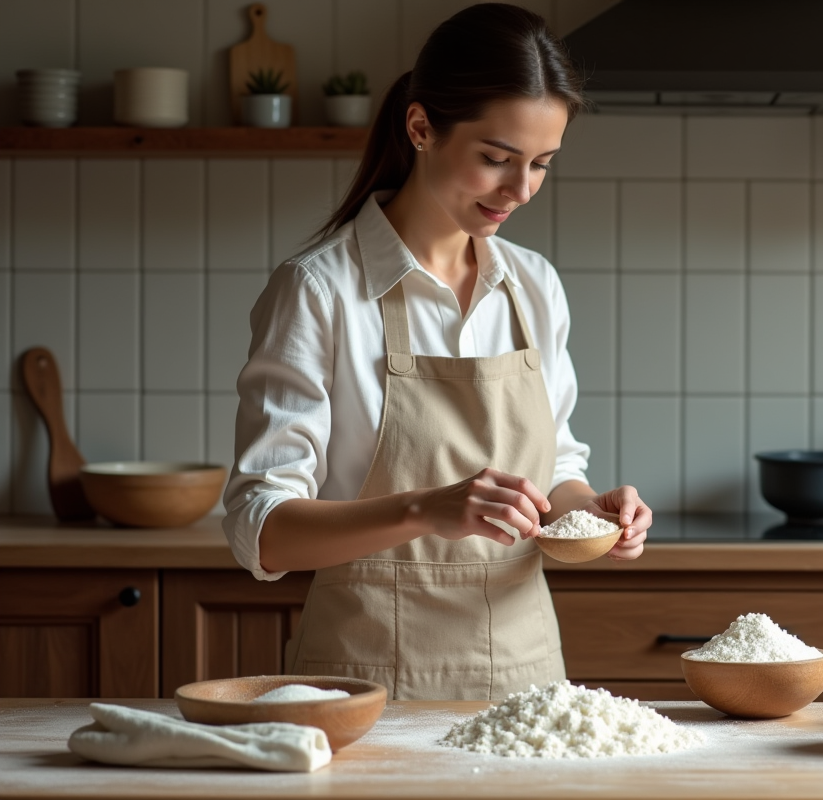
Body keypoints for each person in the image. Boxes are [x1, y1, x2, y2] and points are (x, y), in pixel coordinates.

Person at [222, 3, 651, 701]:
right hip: (361, 688)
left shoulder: (533, 286)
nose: (521, 190)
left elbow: (557, 468)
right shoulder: (320, 290)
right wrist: (423, 510)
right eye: (496, 159)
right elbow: (260, 528)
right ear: (421, 127)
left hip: (527, 689)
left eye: (542, 164)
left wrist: (590, 510)